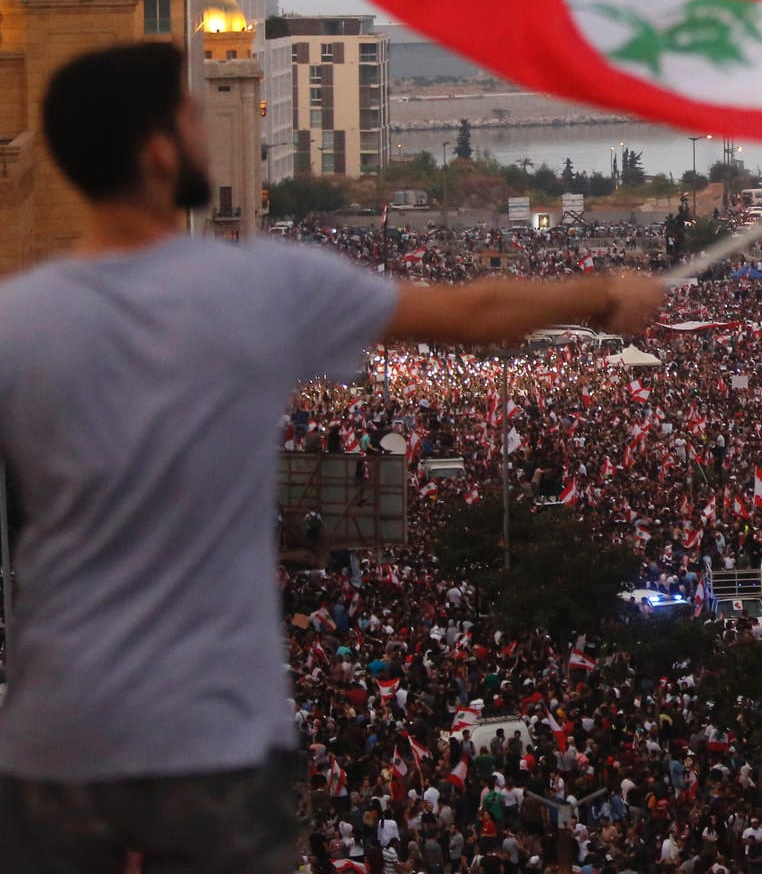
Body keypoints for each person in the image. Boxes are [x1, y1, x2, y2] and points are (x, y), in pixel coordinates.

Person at [0, 43, 665, 873]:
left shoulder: (17, 323)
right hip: (213, 740)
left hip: (52, 741)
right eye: (193, 116)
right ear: (158, 152)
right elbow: (472, 310)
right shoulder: (260, 290)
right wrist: (604, 296)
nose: (209, 131)